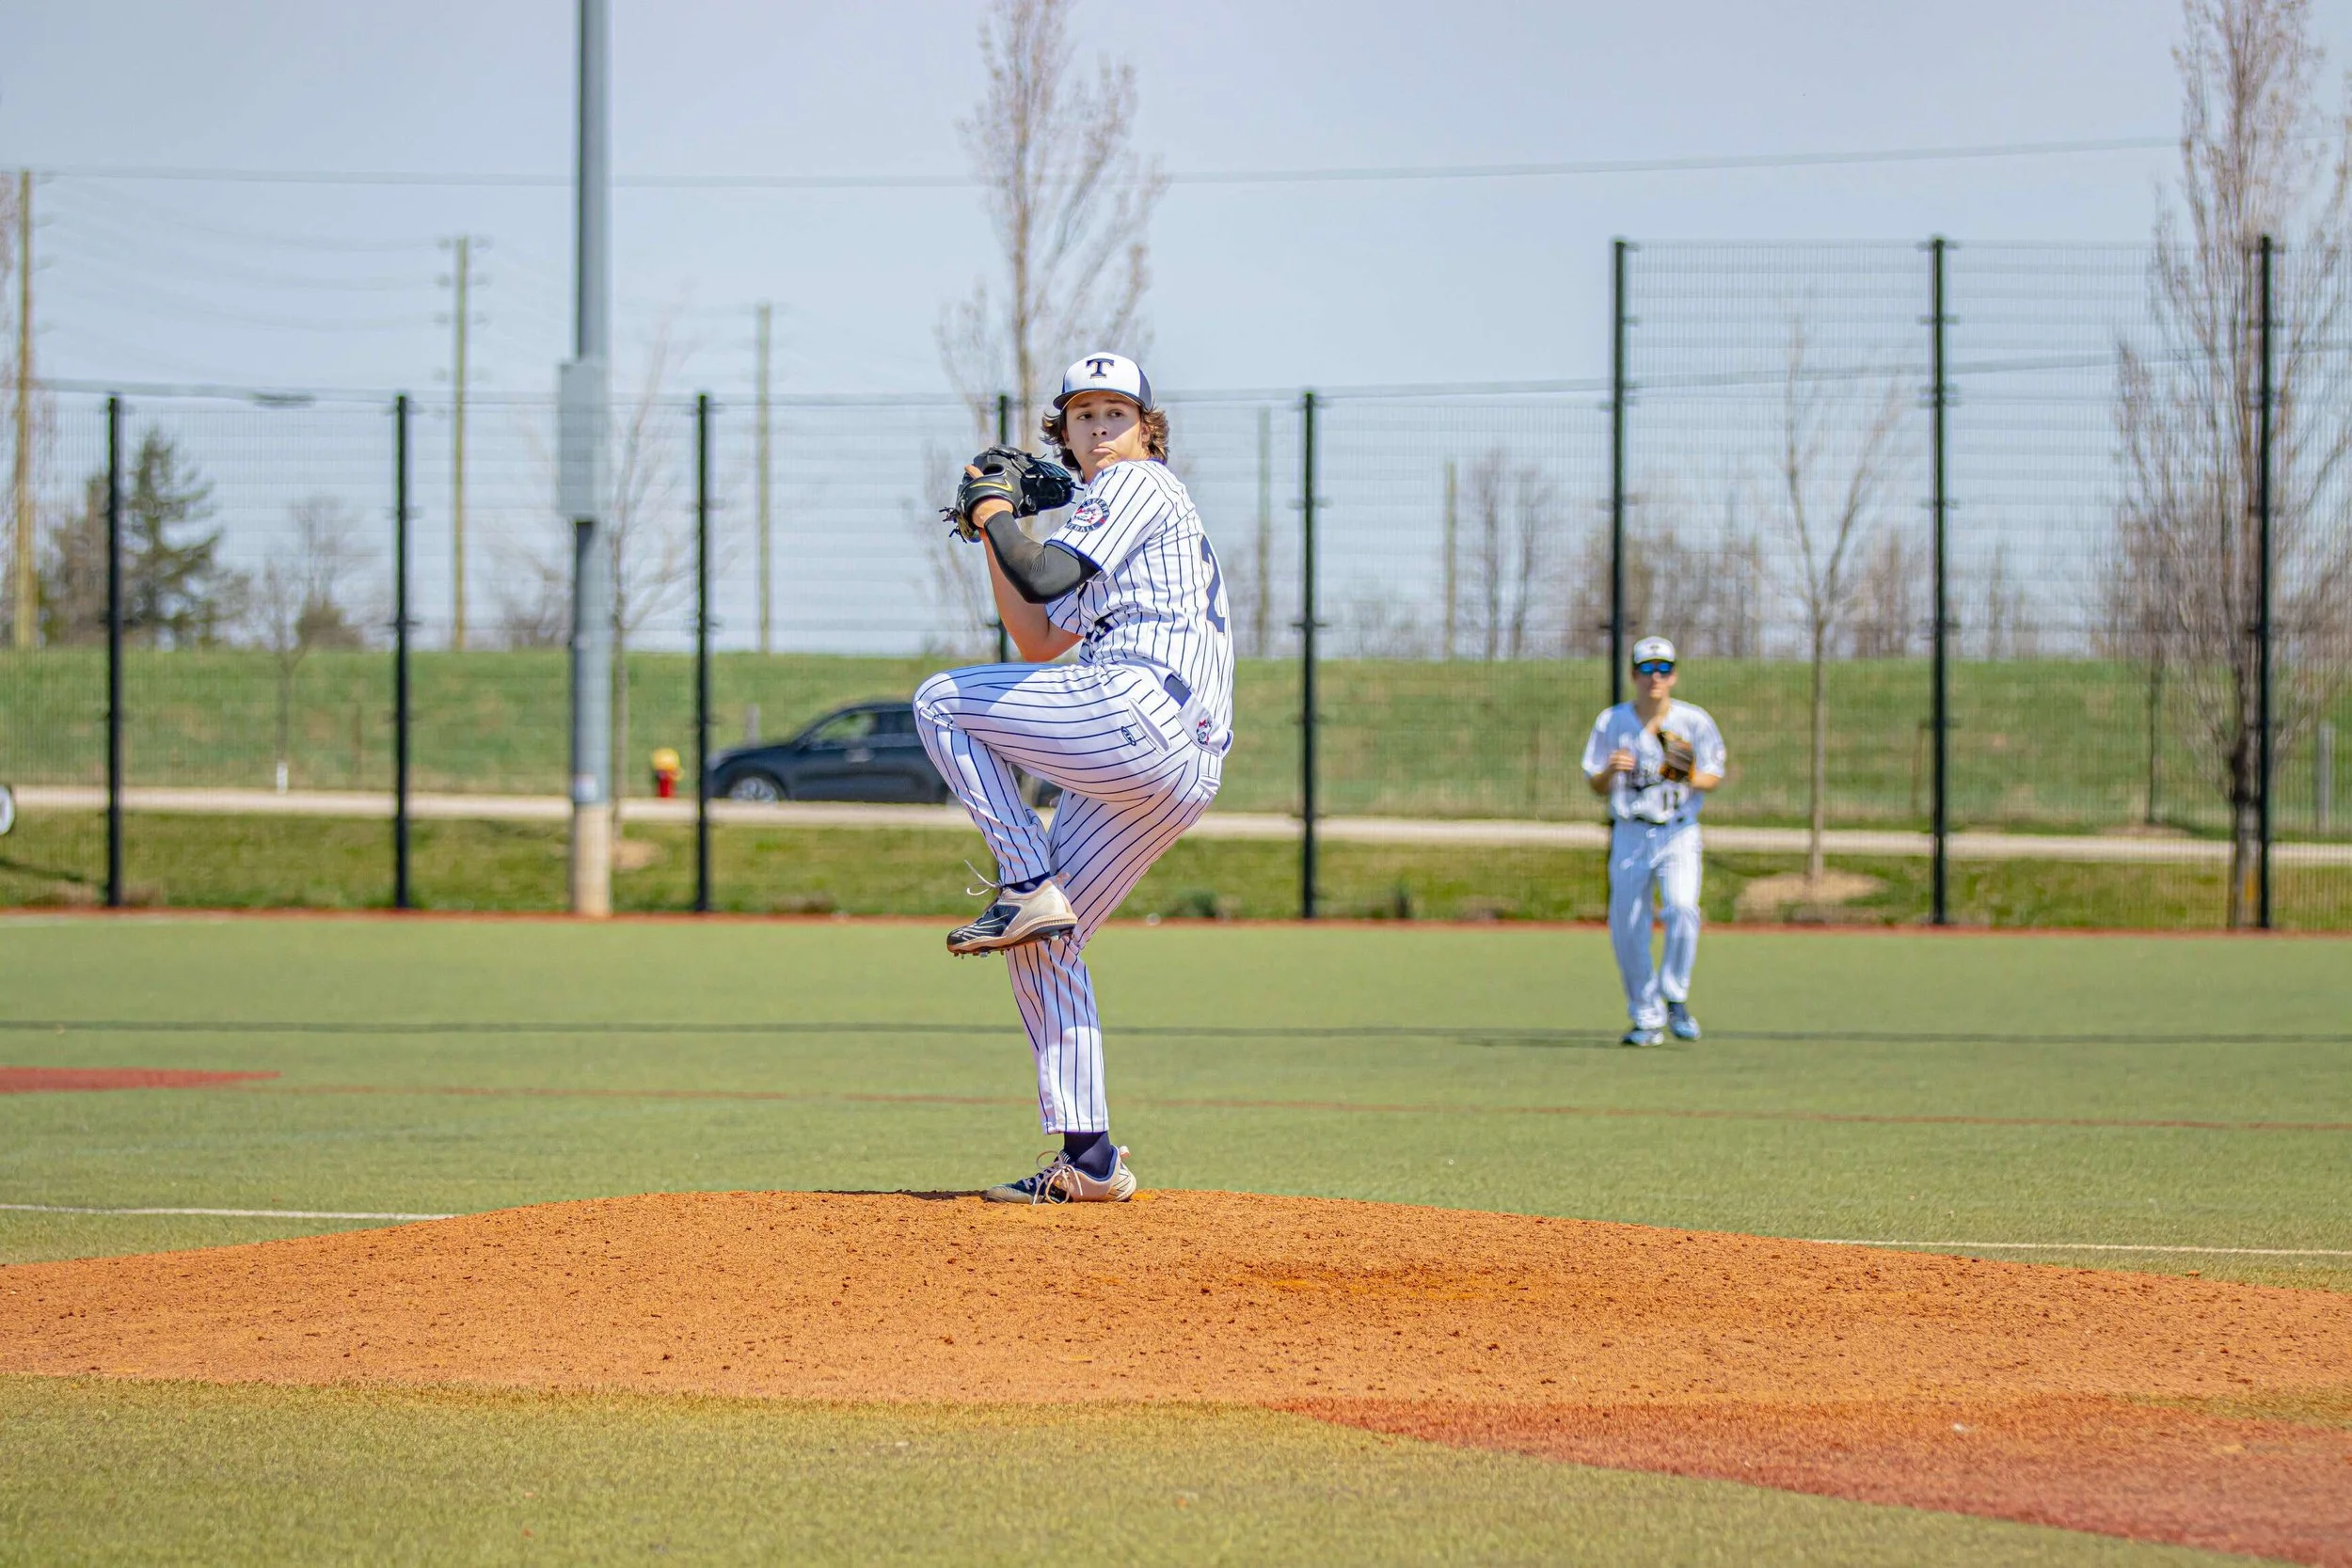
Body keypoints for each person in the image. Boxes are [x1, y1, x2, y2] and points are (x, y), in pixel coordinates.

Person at [913, 353, 1234, 1204]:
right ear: (1064, 428)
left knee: (941, 700)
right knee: (1044, 944)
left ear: (1146, 428)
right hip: (1175, 759)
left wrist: (995, 510)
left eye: (1115, 412)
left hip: (1140, 709)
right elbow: (1038, 635)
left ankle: (1023, 879)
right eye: (1083, 413)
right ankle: (1089, 1159)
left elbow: (1044, 572)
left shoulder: (1137, 485)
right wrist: (992, 527)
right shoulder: (1109, 512)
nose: (1099, 427)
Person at [1581, 636, 1726, 1047]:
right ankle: (1646, 1015)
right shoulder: (1613, 723)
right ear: (1633, 675)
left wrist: (1682, 772)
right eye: (1646, 669)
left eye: (1663, 669)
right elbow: (1594, 782)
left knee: (1682, 908)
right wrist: (1610, 770)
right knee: (1627, 926)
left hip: (1678, 831)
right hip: (1630, 831)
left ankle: (1674, 995)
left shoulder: (1692, 722)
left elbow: (1712, 775)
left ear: (1675, 674)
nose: (1655, 677)